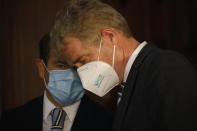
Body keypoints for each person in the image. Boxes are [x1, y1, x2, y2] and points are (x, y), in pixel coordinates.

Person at [49, 0, 197, 131]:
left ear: (110, 37)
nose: (81, 73)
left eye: (83, 60)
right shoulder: (127, 85)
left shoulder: (166, 68)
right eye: (76, 67)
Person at [0, 33, 113, 131]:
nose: (72, 74)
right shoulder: (11, 121)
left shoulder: (109, 123)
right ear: (41, 68)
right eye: (61, 65)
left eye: (78, 64)